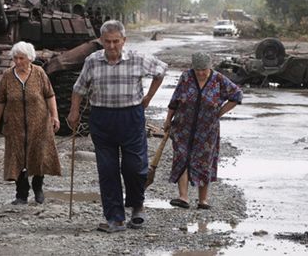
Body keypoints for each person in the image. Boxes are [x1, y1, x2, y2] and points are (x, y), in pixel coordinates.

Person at [67, 20, 168, 233]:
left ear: (124, 41)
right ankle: (115, 218)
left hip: (131, 117)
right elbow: (79, 88)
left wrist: (148, 97)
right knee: (107, 169)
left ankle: (137, 206)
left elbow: (161, 70)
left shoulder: (137, 59)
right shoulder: (92, 61)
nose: (112, 47)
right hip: (102, 119)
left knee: (135, 166)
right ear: (101, 41)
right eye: (107, 42)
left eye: (116, 42)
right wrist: (74, 111)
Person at [163, 51, 242, 210]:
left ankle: (203, 200)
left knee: (204, 162)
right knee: (181, 158)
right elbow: (175, 99)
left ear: (210, 67)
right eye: (197, 69)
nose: (200, 73)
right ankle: (183, 197)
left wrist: (219, 112)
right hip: (183, 126)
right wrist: (168, 120)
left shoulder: (218, 79)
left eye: (203, 70)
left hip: (207, 130)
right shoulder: (186, 77)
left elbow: (237, 95)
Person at [0, 41, 61, 205]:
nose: (18, 62)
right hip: (14, 124)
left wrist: (54, 116)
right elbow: (0, 101)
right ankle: (21, 194)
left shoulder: (39, 73)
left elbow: (50, 95)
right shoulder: (7, 75)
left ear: (30, 58)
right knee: (16, 157)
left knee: (39, 155)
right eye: (15, 58)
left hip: (39, 124)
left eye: (21, 58)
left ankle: (38, 188)